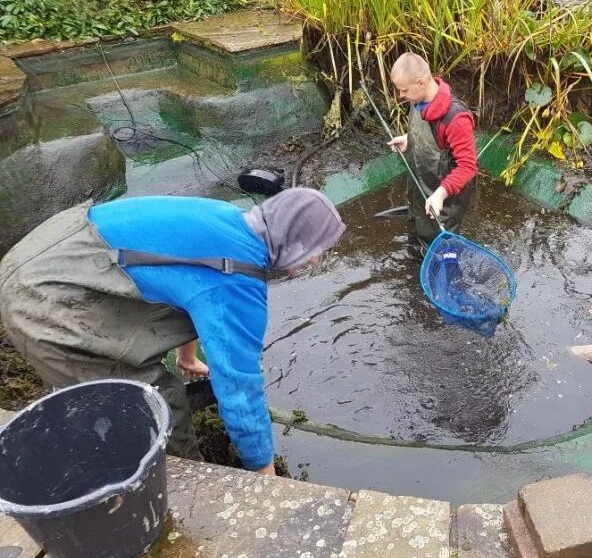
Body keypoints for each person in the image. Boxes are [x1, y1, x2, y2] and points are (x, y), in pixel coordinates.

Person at [0, 188, 345, 475]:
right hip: (44, 298)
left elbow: (188, 284)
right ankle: (185, 480)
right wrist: (264, 472)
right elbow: (239, 389)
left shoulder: (231, 218)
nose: (315, 260)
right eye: (313, 248)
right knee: (154, 402)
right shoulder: (240, 283)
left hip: (47, 247)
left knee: (135, 386)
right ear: (291, 237)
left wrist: (187, 358)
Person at [387, 52, 477, 259]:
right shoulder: (417, 100)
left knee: (443, 250)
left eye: (404, 90)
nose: (401, 96)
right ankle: (416, 266)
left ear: (420, 83)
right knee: (417, 232)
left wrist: (440, 193)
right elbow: (431, 138)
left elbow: (468, 167)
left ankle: (446, 278)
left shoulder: (457, 118)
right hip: (419, 188)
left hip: (445, 198)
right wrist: (410, 141)